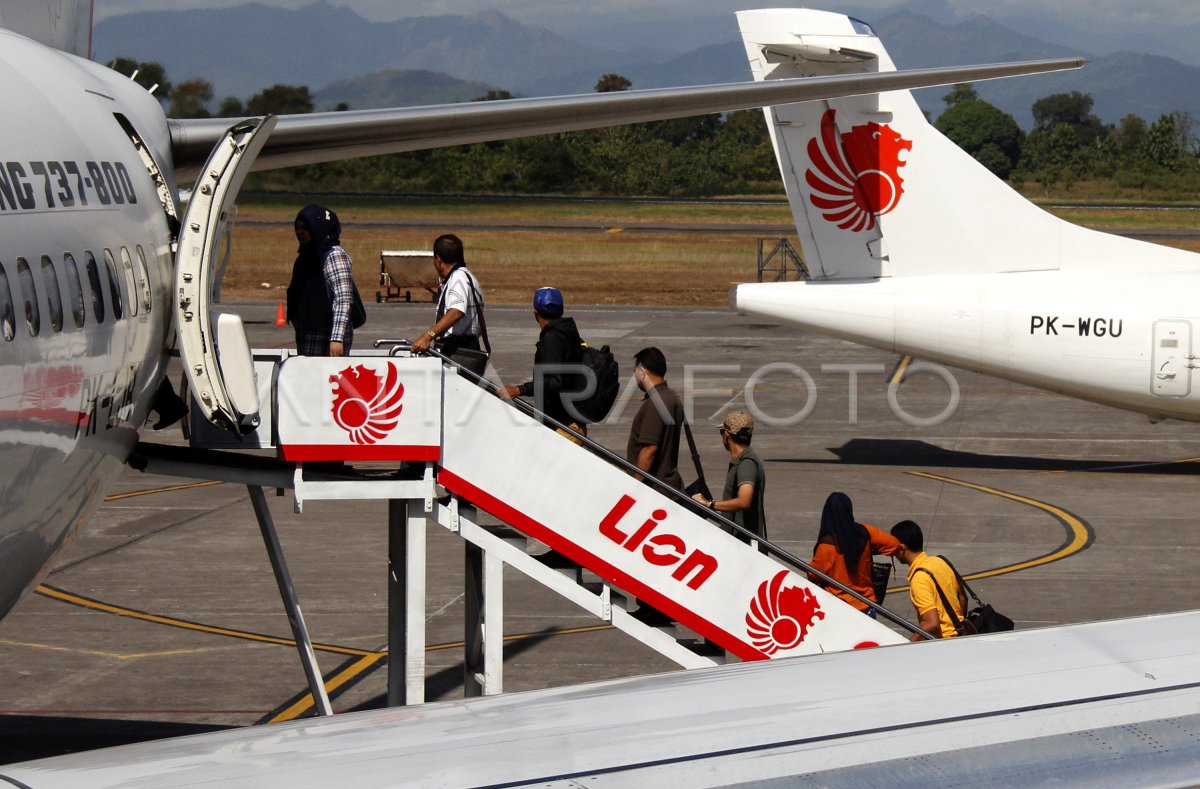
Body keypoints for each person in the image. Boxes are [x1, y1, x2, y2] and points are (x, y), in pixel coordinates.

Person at [498, 287, 587, 442]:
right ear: (562, 310)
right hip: (569, 422)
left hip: (564, 426)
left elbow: (554, 381)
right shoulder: (568, 332)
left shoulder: (552, 339)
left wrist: (520, 389)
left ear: (535, 312)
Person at [808, 492, 901, 616]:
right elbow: (894, 545)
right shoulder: (865, 533)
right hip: (866, 606)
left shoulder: (826, 546)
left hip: (838, 610)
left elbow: (812, 574)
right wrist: (867, 550)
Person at [285, 204, 356, 357]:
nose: (300, 232)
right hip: (308, 334)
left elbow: (343, 299)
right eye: (297, 228)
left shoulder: (334, 255)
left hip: (328, 337)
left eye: (305, 228)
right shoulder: (306, 256)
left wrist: (336, 338)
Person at [693, 411, 766, 544]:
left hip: (744, 546)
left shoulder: (746, 464)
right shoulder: (744, 461)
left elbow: (744, 501)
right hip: (739, 542)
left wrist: (710, 504)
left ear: (726, 435)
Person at [890, 520, 969, 641]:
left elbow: (932, 624)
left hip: (943, 643)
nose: (892, 553)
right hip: (960, 636)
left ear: (902, 548)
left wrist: (908, 644)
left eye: (893, 547)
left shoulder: (919, 579)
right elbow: (963, 598)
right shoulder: (941, 561)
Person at [410, 234, 484, 360]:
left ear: (438, 260)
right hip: (463, 347)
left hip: (459, 350)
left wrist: (428, 336)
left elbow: (456, 312)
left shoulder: (458, 278)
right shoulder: (465, 277)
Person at [626, 347, 684, 490]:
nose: (635, 377)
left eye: (635, 372)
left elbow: (649, 449)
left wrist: (634, 486)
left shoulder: (657, 402)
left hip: (654, 490)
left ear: (642, 371)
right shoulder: (671, 397)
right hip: (667, 486)